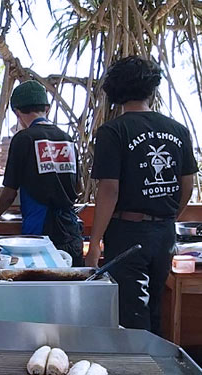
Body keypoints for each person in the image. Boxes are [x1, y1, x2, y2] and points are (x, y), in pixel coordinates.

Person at [87, 56, 197, 335]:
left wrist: (95, 241)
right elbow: (188, 184)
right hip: (164, 233)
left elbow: (109, 190)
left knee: (131, 311)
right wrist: (169, 217)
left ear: (115, 91)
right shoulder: (178, 130)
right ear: (152, 89)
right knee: (155, 305)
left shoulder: (113, 131)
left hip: (127, 232)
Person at [0, 80, 83, 266]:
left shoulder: (23, 139)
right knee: (69, 284)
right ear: (47, 108)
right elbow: (79, 187)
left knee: (40, 287)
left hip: (38, 235)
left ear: (17, 112)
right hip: (70, 230)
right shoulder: (67, 139)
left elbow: (10, 192)